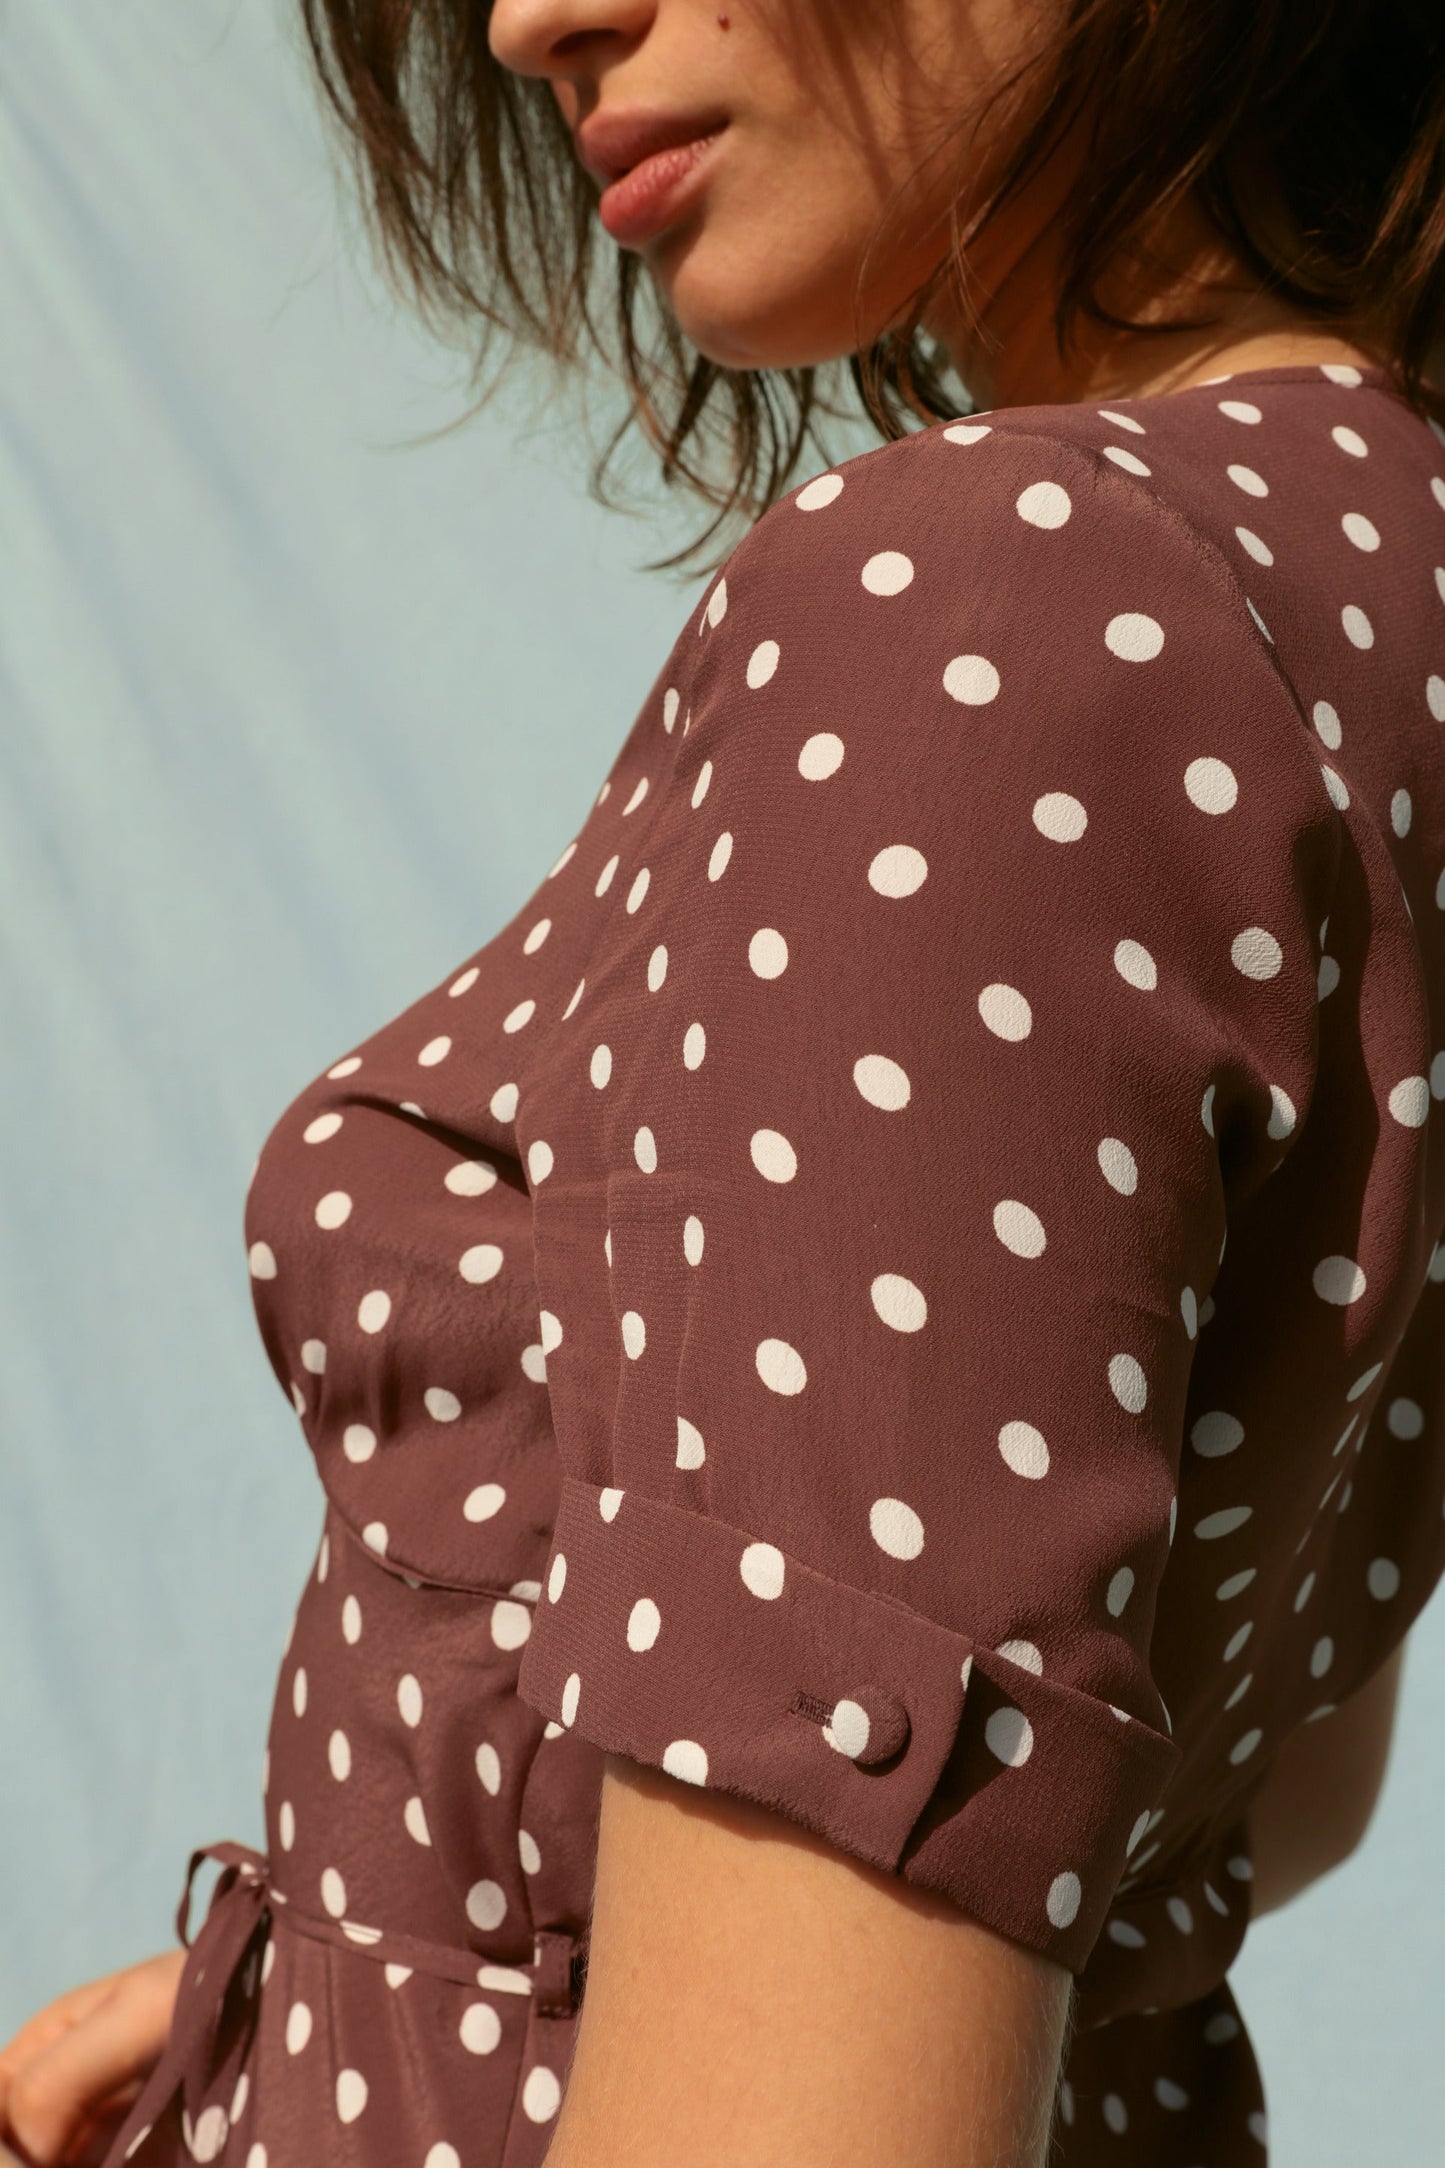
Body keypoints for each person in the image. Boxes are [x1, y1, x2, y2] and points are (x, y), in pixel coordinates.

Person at [3, 1, 1443, 2163]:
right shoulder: (1375, 575)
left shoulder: (993, 613)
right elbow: (1254, 1776)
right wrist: (368, 1991)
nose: (530, 22)